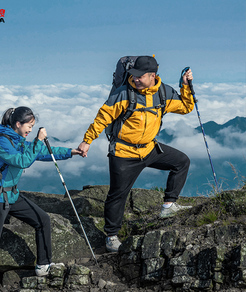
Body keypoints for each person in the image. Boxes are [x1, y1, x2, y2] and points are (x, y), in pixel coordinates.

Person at [78, 56, 195, 252]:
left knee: (181, 161)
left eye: (140, 77)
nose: (136, 79)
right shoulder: (124, 93)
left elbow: (186, 107)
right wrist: (87, 140)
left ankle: (168, 205)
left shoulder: (163, 93)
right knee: (118, 195)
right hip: (123, 153)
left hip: (149, 149)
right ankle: (111, 237)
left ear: (152, 75)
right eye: (134, 76)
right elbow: (103, 116)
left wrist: (185, 86)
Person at [0, 106, 81, 292]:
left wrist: (71, 152)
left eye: (33, 127)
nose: (31, 130)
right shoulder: (2, 142)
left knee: (43, 220)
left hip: (12, 196)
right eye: (29, 126)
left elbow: (40, 152)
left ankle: (43, 265)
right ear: (18, 124)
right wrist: (38, 140)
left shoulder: (18, 140)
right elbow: (22, 161)